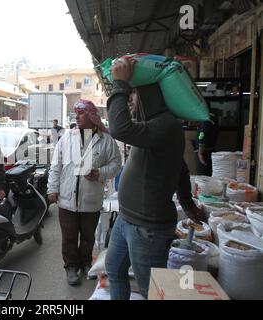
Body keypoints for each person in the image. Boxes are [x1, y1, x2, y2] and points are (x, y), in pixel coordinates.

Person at [105, 58, 206, 300]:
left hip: (147, 228)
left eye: (136, 94)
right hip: (127, 220)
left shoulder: (165, 125)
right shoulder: (154, 125)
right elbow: (179, 167)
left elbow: (119, 129)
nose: (131, 99)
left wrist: (120, 84)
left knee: (151, 290)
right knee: (115, 271)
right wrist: (188, 202)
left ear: (152, 96)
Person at [47, 99, 122, 286]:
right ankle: (71, 267)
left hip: (91, 199)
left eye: (81, 113)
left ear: (91, 116)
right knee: (69, 236)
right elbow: (55, 165)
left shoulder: (106, 140)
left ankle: (86, 263)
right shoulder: (66, 138)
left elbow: (115, 164)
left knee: (88, 237)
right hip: (67, 198)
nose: (77, 117)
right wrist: (52, 189)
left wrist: (99, 173)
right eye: (76, 113)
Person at [193, 106, 219, 176]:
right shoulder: (213, 118)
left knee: (202, 177)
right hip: (210, 151)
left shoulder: (206, 119)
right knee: (208, 174)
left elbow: (202, 134)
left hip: (204, 153)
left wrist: (200, 153)